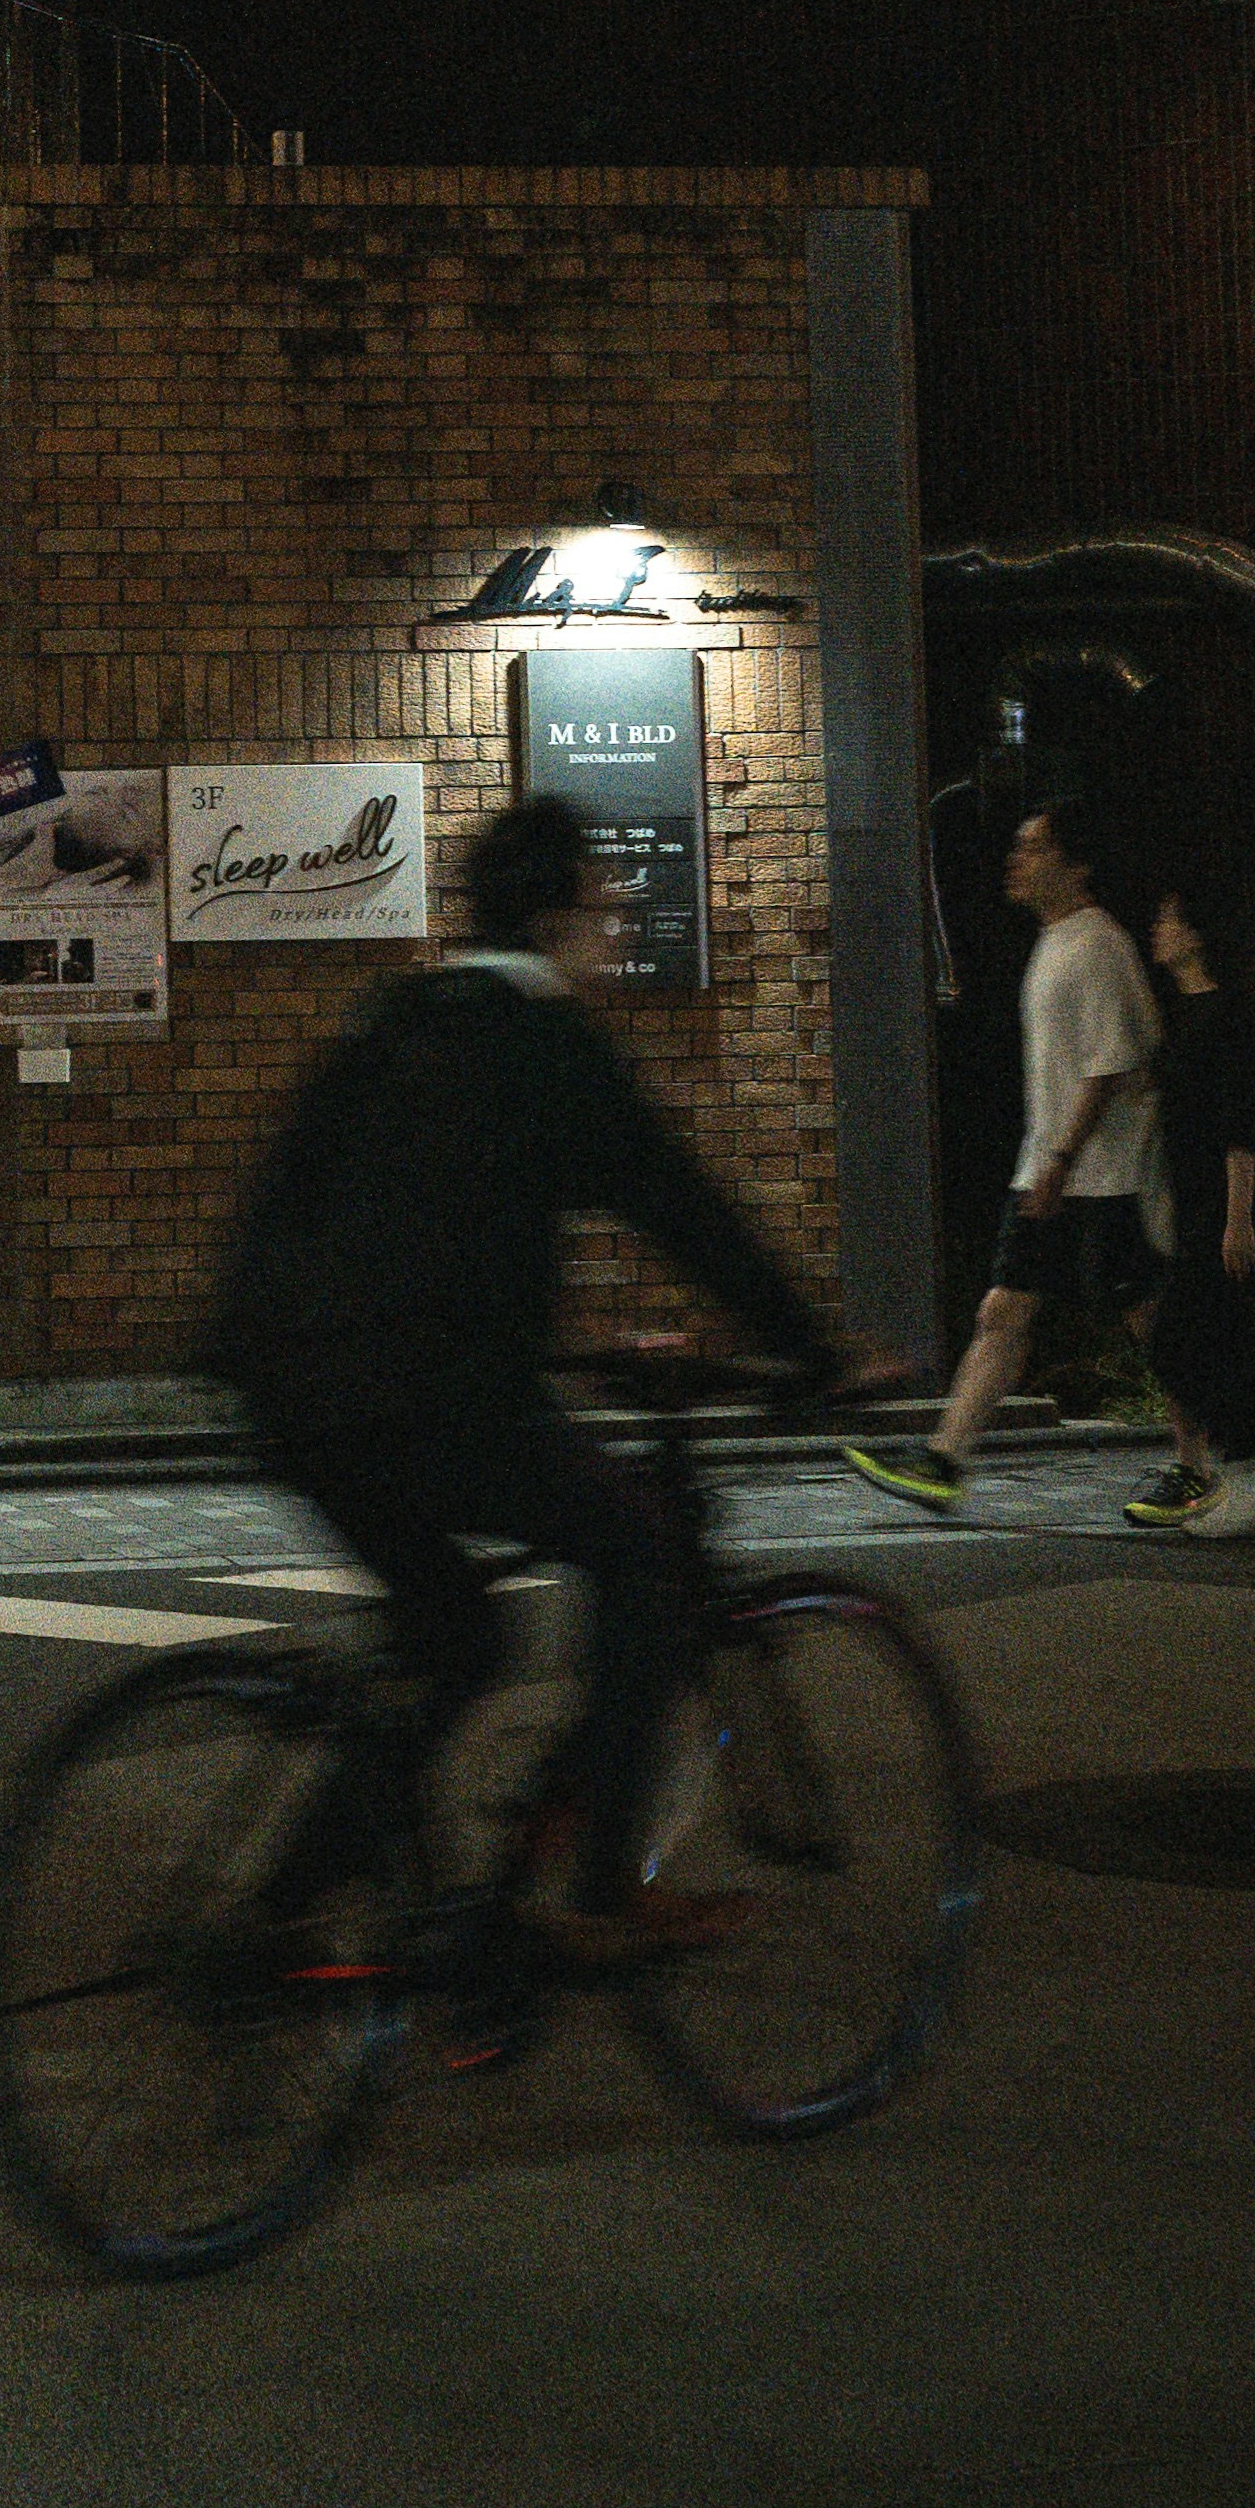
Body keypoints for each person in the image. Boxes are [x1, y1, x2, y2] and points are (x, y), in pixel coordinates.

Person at [213, 789, 843, 1972]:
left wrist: (562, 1343)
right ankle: (603, 1888)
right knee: (645, 1555)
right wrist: (816, 1350)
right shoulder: (548, 1040)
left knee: (456, 1636)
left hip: (288, 1389)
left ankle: (278, 1915)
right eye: (604, 904)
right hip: (430, 1398)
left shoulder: (392, 1015)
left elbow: (359, 1221)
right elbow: (686, 1210)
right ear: (558, 916)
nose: (615, 927)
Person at [844, 782, 1157, 1517]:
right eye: (1017, 846)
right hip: (1054, 1171)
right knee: (1002, 1313)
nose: (1016, 859)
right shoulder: (1054, 942)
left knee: (1150, 1322)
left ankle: (1208, 1459)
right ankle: (943, 1461)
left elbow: (1109, 1067)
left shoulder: (1097, 944)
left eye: (1034, 847)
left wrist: (1058, 1161)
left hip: (1100, 1178)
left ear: (1076, 866)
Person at [1125, 880, 1255, 1530]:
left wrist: (1238, 1219)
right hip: (1191, 1202)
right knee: (1189, 1336)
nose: (1157, 929)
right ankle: (1243, 1474)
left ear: (1194, 934)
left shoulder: (1227, 1015)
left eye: (1168, 918)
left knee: (1215, 1336)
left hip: (1227, 1205)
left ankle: (1250, 1478)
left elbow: (1241, 1123)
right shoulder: (1181, 1012)